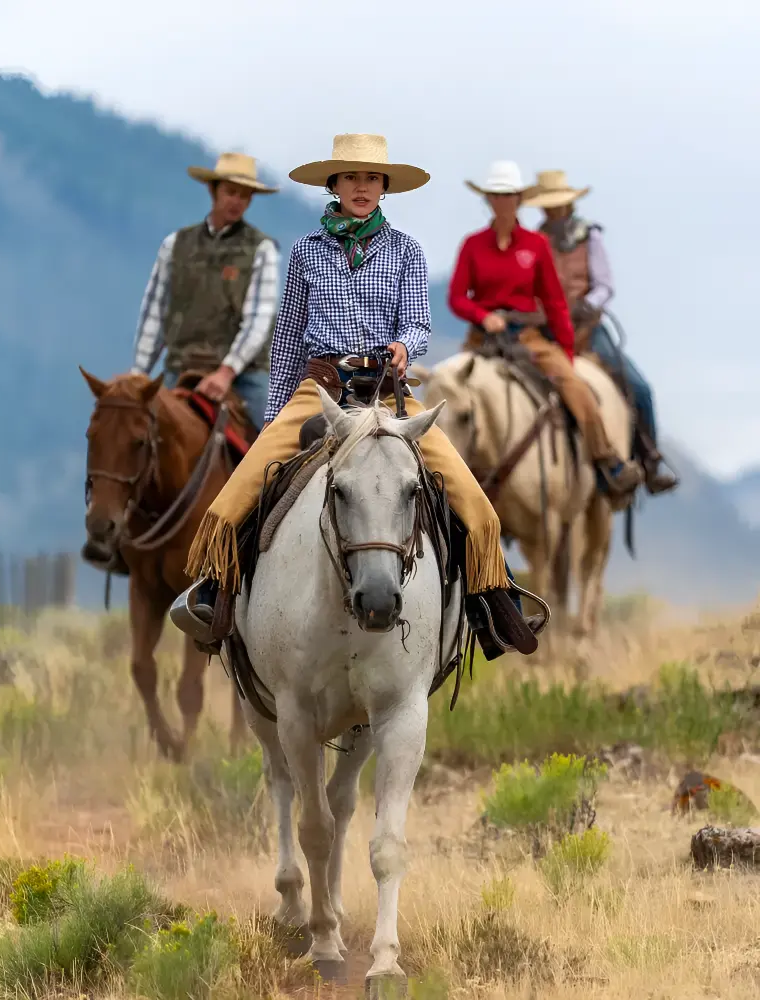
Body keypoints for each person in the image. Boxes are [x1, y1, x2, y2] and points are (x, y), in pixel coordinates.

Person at [185, 134, 544, 661]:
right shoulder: (307, 252)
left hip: (388, 392)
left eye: (371, 178)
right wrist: (275, 415)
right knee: (247, 482)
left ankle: (493, 599)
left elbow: (418, 322)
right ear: (333, 184)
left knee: (467, 493)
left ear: (384, 188)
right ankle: (214, 595)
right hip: (321, 389)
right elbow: (287, 337)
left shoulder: (406, 250)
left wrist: (405, 345)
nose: (362, 187)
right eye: (351, 177)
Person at [449, 160, 643, 506]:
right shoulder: (472, 244)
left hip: (527, 336)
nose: (502, 201)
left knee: (573, 385)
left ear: (519, 198)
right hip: (483, 338)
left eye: (508, 195)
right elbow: (456, 298)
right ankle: (438, 472)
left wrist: (565, 350)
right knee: (446, 386)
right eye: (495, 195)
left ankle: (606, 459)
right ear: (488, 200)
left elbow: (553, 300)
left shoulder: (536, 245)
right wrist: (482, 315)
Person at [523, 170, 678, 494]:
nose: (551, 211)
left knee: (638, 387)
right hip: (548, 329)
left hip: (587, 329)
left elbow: (605, 285)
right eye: (547, 206)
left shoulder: (589, 236)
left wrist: (586, 304)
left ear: (568, 204)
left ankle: (650, 460)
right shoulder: (533, 241)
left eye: (557, 205)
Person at [130, 152, 280, 433]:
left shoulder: (262, 249)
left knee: (274, 447)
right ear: (213, 190)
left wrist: (226, 372)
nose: (236, 201)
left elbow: (259, 319)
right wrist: (139, 374)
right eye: (231, 192)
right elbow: (155, 312)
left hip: (244, 376)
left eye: (245, 195)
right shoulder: (175, 245)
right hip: (181, 368)